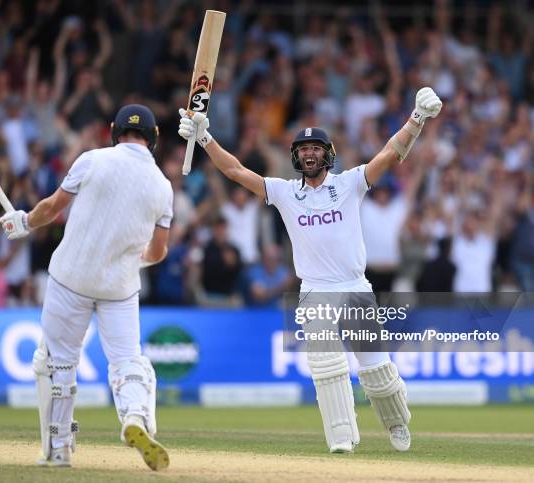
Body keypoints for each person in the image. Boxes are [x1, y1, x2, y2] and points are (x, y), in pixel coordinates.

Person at [179, 87, 442, 454]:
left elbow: (388, 155)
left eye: (316, 148)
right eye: (303, 150)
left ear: (328, 154)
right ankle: (341, 439)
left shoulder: (349, 183)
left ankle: (396, 423)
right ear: (295, 157)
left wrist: (416, 119)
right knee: (326, 364)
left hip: (354, 285)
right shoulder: (286, 192)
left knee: (377, 372)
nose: (310, 153)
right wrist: (204, 137)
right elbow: (235, 171)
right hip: (315, 288)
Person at [0, 104, 173, 470]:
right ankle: (134, 417)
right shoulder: (163, 186)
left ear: (114, 130)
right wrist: (131, 259)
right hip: (120, 287)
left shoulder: (92, 159)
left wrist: (24, 223)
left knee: (57, 364)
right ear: (154, 137)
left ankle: (58, 449)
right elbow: (158, 252)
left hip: (71, 278)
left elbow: (51, 209)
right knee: (128, 361)